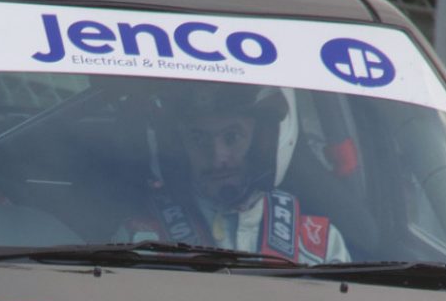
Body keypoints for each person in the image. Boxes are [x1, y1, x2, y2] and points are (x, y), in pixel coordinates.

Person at [130, 82, 348, 264]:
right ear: (179, 145)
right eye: (198, 139)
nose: (218, 158)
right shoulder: (141, 237)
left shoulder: (319, 245)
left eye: (232, 136)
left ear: (263, 142)